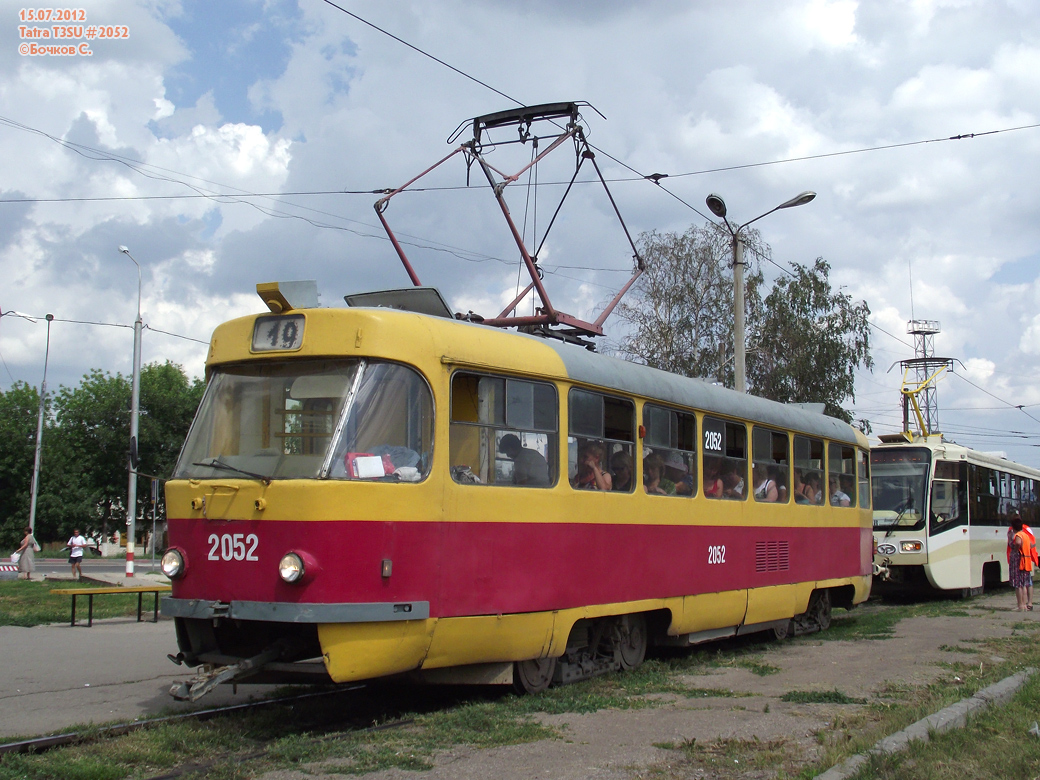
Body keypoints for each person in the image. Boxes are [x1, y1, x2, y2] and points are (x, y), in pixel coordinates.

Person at [1011, 515, 1035, 611]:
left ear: (1013, 527)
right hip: (1026, 561)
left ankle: (1020, 605)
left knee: (1018, 585)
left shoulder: (1018, 535)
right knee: (1024, 584)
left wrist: (1016, 549)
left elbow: (1018, 543)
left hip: (1019, 561)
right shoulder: (1026, 535)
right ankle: (1024, 605)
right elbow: (1031, 545)